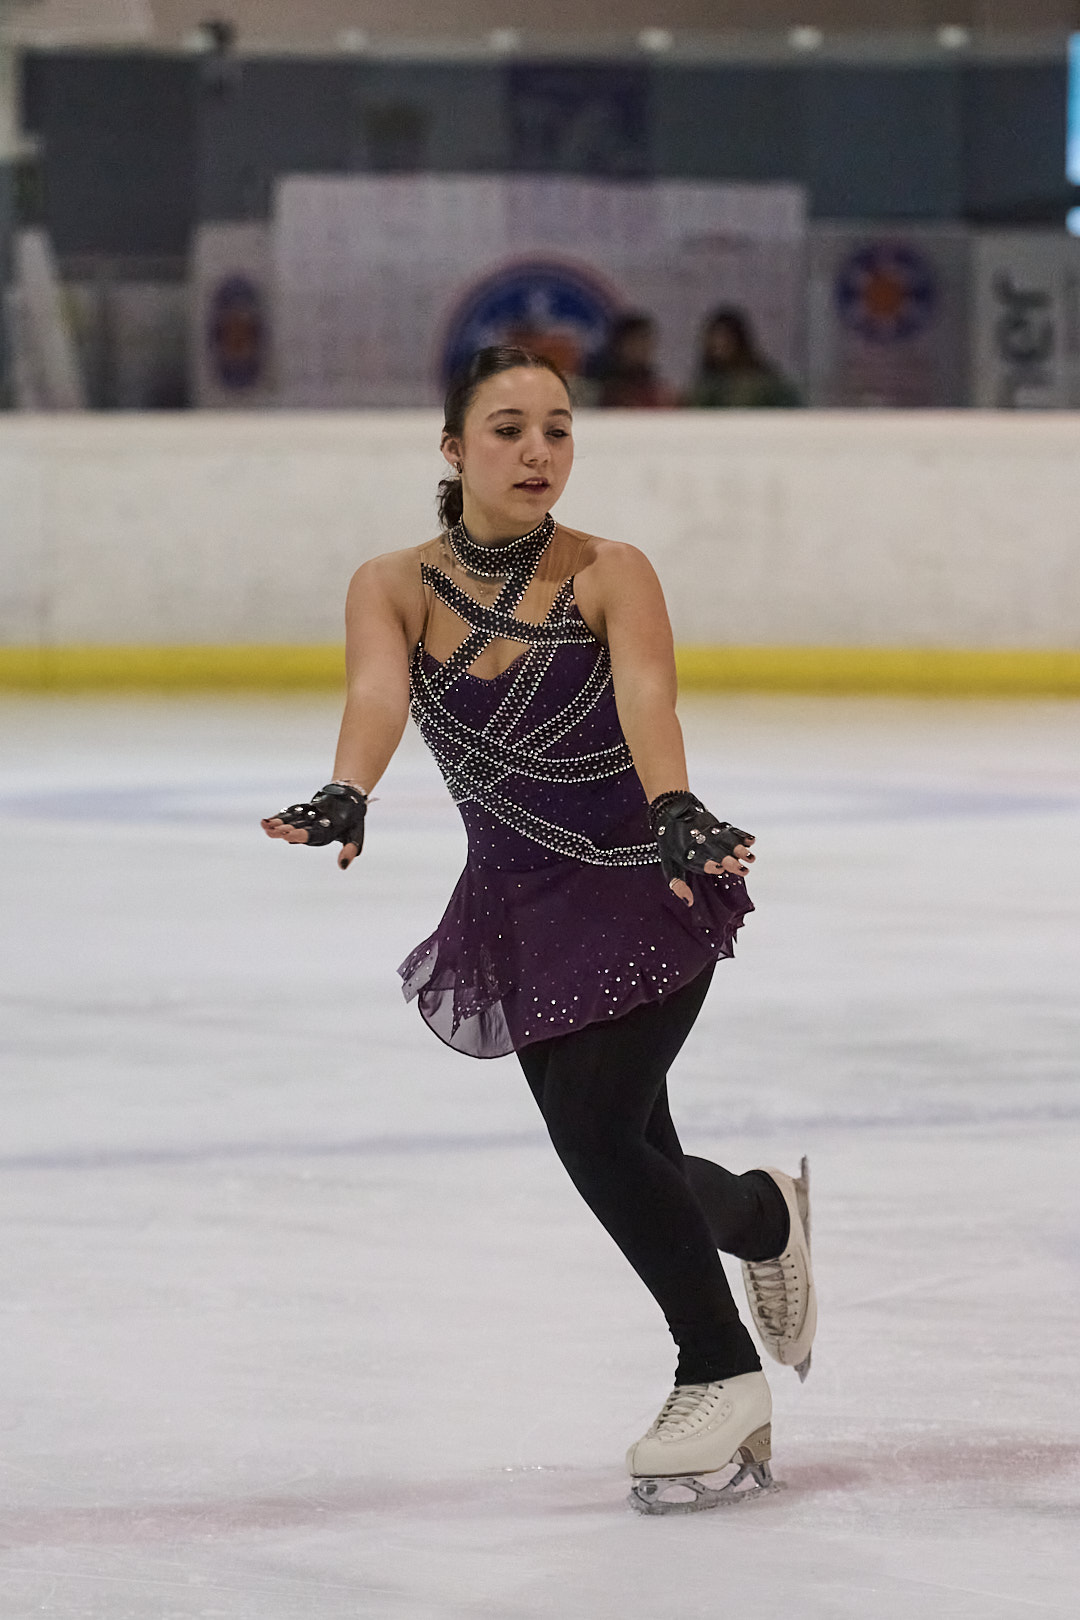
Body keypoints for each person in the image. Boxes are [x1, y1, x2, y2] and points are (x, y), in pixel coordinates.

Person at [261, 344, 817, 1515]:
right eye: (509, 429)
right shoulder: (393, 583)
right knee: (631, 1151)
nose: (537, 452)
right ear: (454, 449)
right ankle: (761, 1215)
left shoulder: (611, 570)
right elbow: (374, 694)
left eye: (558, 429)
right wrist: (347, 789)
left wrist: (673, 809)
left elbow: (649, 698)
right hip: (517, 907)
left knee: (597, 1132)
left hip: (644, 884)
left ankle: (718, 1371)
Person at [686, 306, 803, 409]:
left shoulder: (763, 383)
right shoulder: (708, 384)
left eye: (725, 339)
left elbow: (792, 412)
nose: (720, 346)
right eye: (715, 341)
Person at [587, 312, 677, 409]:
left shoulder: (658, 390)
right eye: (638, 340)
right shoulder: (606, 389)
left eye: (647, 340)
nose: (644, 347)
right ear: (621, 345)